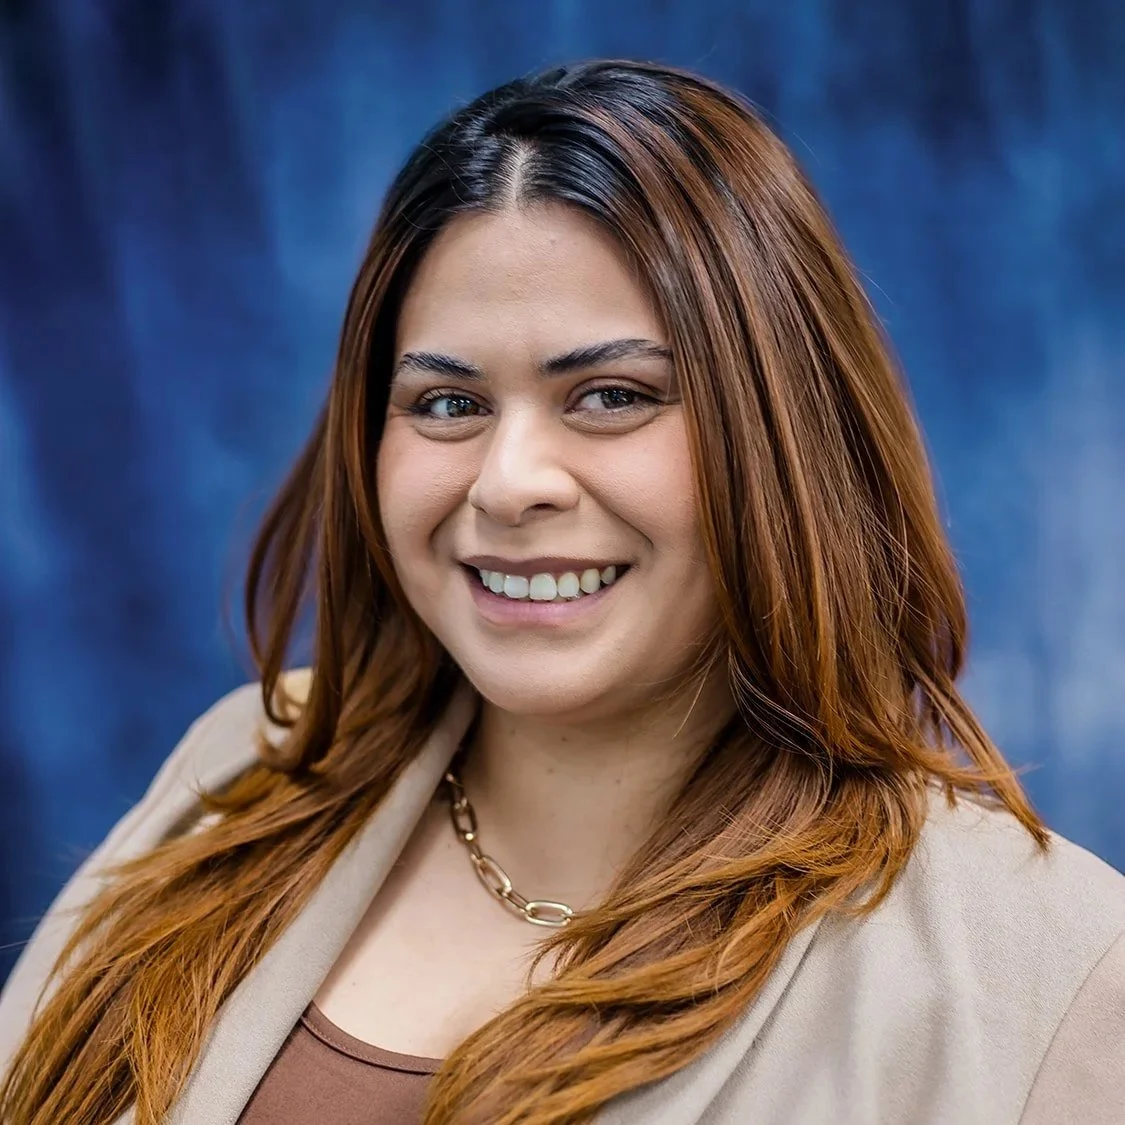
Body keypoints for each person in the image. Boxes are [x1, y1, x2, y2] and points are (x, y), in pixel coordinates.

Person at [0, 57, 1122, 1125]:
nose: (509, 482)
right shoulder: (239, 773)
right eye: (448, 405)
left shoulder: (1048, 966)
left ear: (787, 433)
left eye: (612, 395)